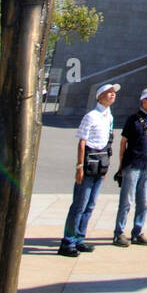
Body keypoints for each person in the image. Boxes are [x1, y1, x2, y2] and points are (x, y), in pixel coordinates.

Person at [57, 82, 120, 257]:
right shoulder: (91, 116)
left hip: (101, 164)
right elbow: (82, 142)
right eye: (109, 93)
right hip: (88, 164)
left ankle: (79, 238)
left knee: (90, 205)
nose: (112, 95)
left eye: (114, 93)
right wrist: (79, 166)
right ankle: (67, 242)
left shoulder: (109, 117)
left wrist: (106, 166)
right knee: (79, 204)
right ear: (99, 97)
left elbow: (108, 142)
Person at [113, 88, 147, 247]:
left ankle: (137, 232)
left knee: (144, 202)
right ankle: (119, 233)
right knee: (126, 201)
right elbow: (123, 143)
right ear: (143, 101)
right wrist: (121, 166)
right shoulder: (133, 120)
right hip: (132, 164)